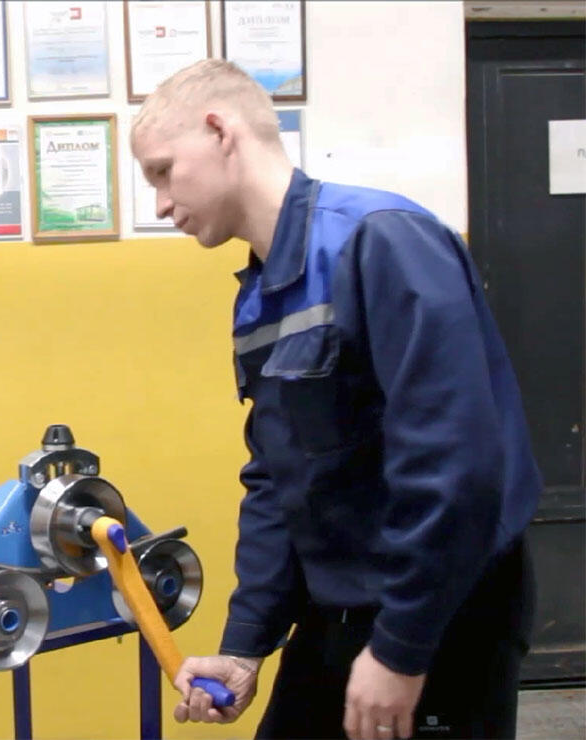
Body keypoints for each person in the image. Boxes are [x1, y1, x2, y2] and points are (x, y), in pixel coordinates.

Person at [130, 59, 540, 740]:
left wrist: (401, 650)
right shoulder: (261, 298)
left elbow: (457, 469)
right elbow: (278, 480)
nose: (161, 204)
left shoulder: (382, 241)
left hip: (445, 609)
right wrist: (245, 646)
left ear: (220, 131)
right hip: (341, 607)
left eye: (163, 172)